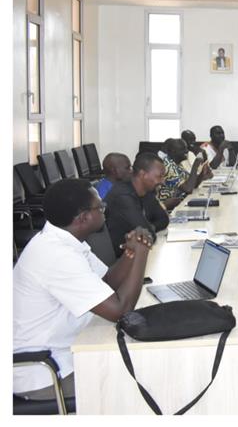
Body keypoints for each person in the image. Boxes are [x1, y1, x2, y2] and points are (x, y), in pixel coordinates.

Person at [13, 178, 153, 401]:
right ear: (83, 218)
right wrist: (142, 254)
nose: (104, 209)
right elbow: (120, 310)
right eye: (101, 207)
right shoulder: (56, 255)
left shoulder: (66, 239)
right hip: (45, 373)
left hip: (67, 349)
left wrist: (132, 252)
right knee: (142, 380)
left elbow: (106, 280)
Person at [105, 152, 169, 255]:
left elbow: (163, 219)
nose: (162, 182)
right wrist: (148, 229)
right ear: (143, 174)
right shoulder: (123, 196)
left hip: (137, 253)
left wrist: (149, 227)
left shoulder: (146, 191)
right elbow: (149, 236)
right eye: (159, 176)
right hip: (120, 260)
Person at [157, 138, 211, 210]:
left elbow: (192, 184)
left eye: (186, 148)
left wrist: (202, 173)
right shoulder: (167, 165)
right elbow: (188, 189)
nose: (187, 151)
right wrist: (195, 165)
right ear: (173, 151)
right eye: (183, 149)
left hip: (181, 203)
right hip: (169, 209)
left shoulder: (177, 164)